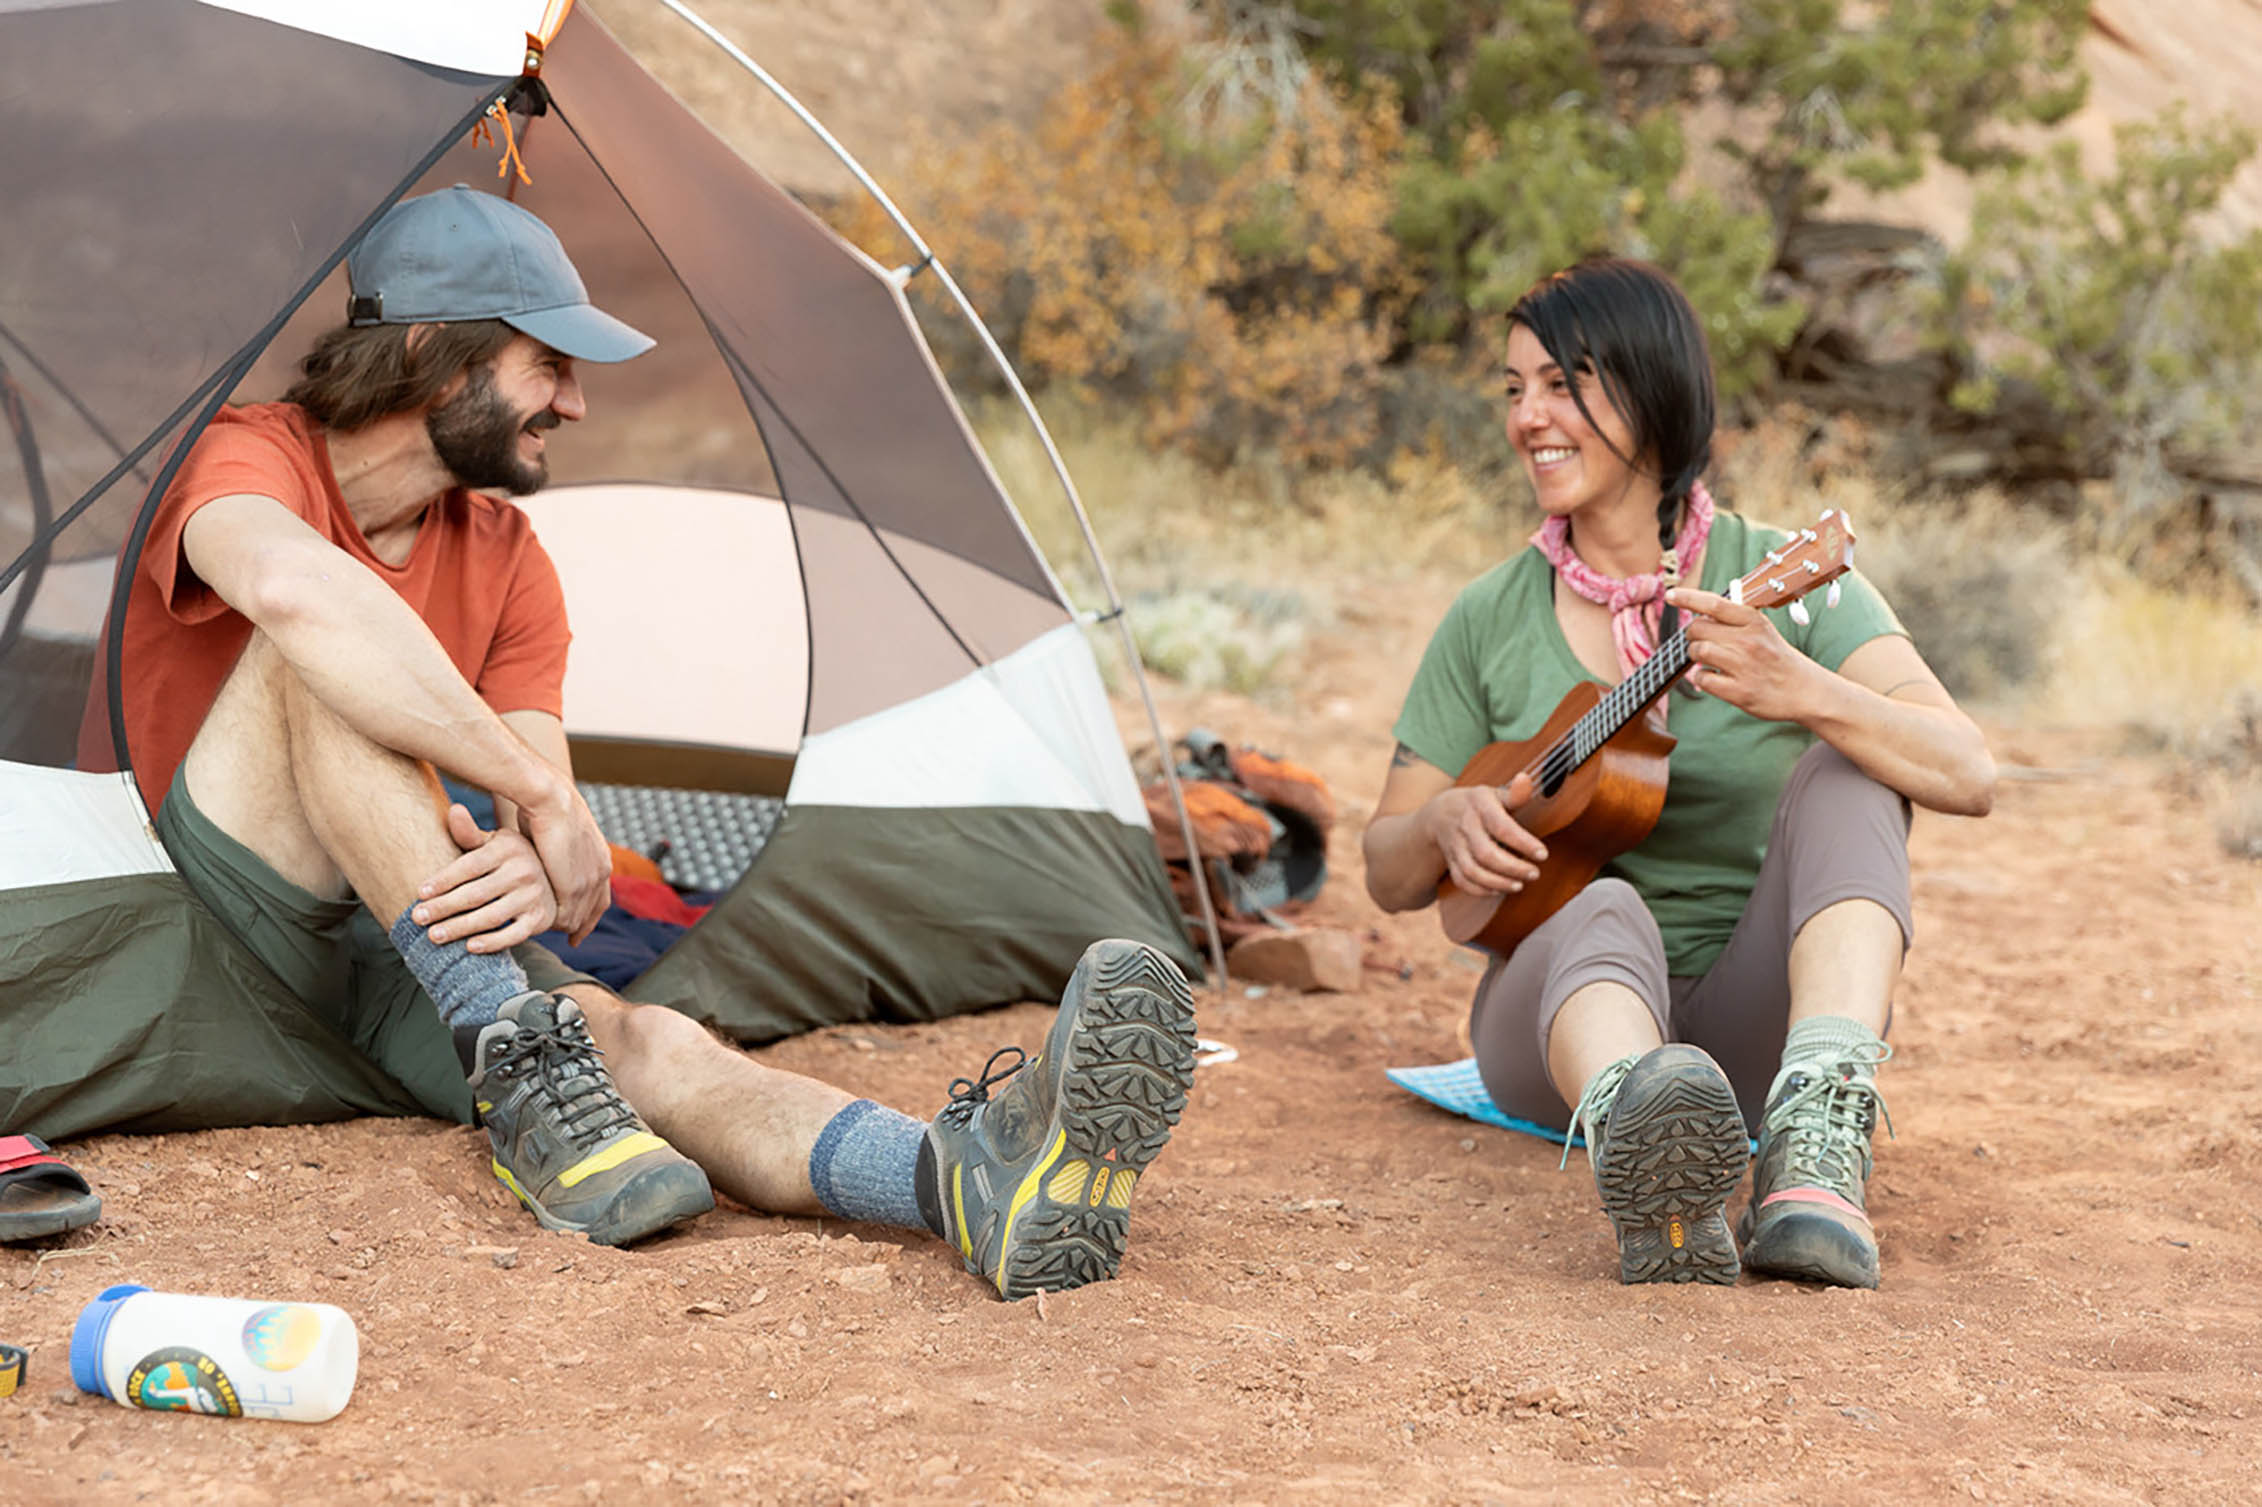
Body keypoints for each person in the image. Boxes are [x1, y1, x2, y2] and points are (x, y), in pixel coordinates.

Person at [65, 185, 1196, 1299]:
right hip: (207, 898)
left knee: (650, 1037)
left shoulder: (509, 557)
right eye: (547, 365)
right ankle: (516, 1055)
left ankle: (960, 1177)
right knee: (312, 653)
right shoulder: (242, 458)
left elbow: (547, 813)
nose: (576, 403)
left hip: (389, 943)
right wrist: (534, 798)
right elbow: (287, 588)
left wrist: (533, 841)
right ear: (431, 354)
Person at [1361, 259, 1993, 1290]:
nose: (1529, 416)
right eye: (1514, 389)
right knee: (1604, 907)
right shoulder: (1488, 615)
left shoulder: (1786, 579)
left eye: (1563, 384)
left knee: (1853, 773)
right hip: (1557, 1032)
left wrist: (1804, 688)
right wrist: (1443, 826)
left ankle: (1816, 1151)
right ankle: (1648, 1156)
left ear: (1652, 392)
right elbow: (1384, 868)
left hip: (1753, 1026)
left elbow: (1968, 769)